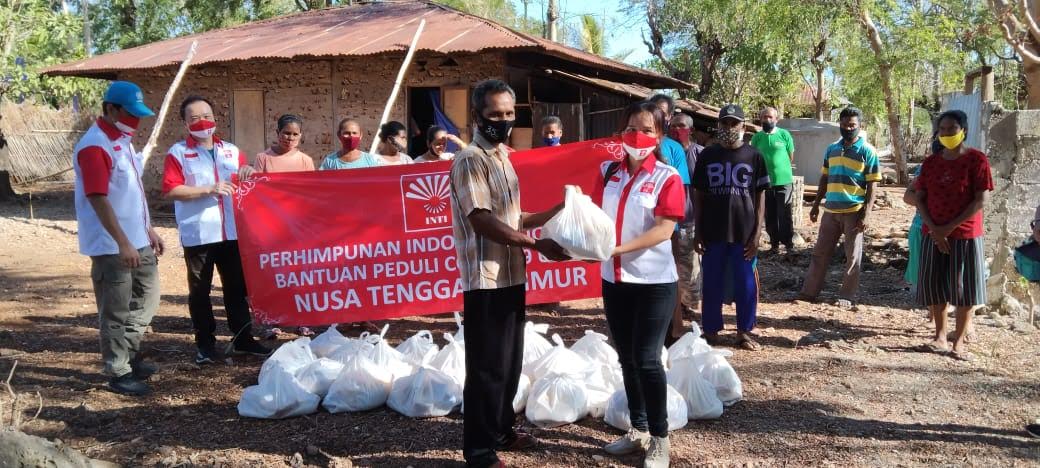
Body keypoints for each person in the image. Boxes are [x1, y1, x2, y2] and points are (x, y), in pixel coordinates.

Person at [449, 79, 570, 468]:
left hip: (512, 275)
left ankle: (501, 429)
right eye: (493, 115)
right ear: (476, 117)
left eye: (508, 114)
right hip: (485, 279)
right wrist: (536, 245)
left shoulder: (503, 157)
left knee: (509, 361)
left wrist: (555, 211)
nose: (501, 121)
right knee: (486, 367)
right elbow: (482, 220)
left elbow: (514, 218)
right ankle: (480, 451)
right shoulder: (471, 160)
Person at [595, 101, 685, 468]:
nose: (638, 135)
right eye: (632, 128)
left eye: (648, 130)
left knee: (648, 360)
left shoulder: (667, 177)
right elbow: (586, 210)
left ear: (660, 135)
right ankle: (639, 429)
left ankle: (660, 440)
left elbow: (664, 229)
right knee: (627, 358)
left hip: (653, 282)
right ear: (621, 133)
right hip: (614, 280)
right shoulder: (608, 171)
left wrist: (615, 248)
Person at [162, 95, 270, 364]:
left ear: (215, 118)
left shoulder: (232, 152)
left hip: (233, 232)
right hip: (199, 234)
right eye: (195, 118)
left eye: (207, 116)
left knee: (236, 288)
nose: (202, 122)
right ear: (184, 122)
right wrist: (208, 189)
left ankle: (243, 339)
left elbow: (246, 185)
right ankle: (205, 345)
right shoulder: (178, 153)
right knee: (200, 292)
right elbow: (171, 189)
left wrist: (246, 171)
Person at [73, 81, 163, 396]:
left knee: (149, 298)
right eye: (130, 114)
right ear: (111, 109)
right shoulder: (94, 145)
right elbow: (98, 198)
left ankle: (128, 352)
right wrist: (123, 242)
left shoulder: (122, 140)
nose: (136, 121)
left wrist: (148, 228)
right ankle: (118, 369)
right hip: (113, 245)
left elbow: (132, 193)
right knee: (115, 308)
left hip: (138, 237)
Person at [914, 110, 992, 361]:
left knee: (964, 288)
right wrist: (934, 229)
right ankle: (939, 336)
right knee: (934, 283)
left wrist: (948, 228)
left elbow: (980, 200)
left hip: (965, 234)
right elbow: (919, 198)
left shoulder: (977, 160)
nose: (947, 134)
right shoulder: (931, 163)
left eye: (952, 129)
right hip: (932, 234)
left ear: (964, 131)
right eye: (943, 129)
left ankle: (958, 341)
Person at [692, 104, 769, 351]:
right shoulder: (707, 155)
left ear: (743, 127)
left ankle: (744, 331)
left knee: (745, 284)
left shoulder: (754, 156)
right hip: (713, 231)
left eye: (733, 123)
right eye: (724, 123)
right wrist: (698, 229)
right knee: (711, 282)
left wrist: (757, 234)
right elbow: (699, 195)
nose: (728, 128)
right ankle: (711, 331)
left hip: (744, 233)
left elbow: (760, 198)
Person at [798, 107, 881, 309]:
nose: (848, 128)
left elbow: (872, 184)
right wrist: (816, 204)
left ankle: (847, 296)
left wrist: (867, 214)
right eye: (844, 125)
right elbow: (824, 178)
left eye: (852, 125)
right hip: (831, 211)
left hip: (854, 211)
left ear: (860, 126)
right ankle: (809, 292)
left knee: (852, 256)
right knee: (820, 253)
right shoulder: (831, 149)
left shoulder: (868, 151)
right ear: (840, 126)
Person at [667, 112, 703, 341]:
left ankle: (689, 306)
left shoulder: (699, 154)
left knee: (690, 265)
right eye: (674, 125)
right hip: (670, 218)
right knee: (671, 265)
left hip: (690, 215)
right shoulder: (667, 149)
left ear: (690, 129)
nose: (677, 129)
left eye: (682, 126)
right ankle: (674, 310)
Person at [750, 107, 796, 253]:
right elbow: (754, 158)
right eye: (764, 117)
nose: (767, 120)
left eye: (770, 117)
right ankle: (774, 244)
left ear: (777, 119)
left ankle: (788, 244)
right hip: (765, 182)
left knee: (784, 213)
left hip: (784, 181)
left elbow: (790, 156)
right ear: (760, 119)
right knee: (769, 214)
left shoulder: (784, 135)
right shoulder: (757, 137)